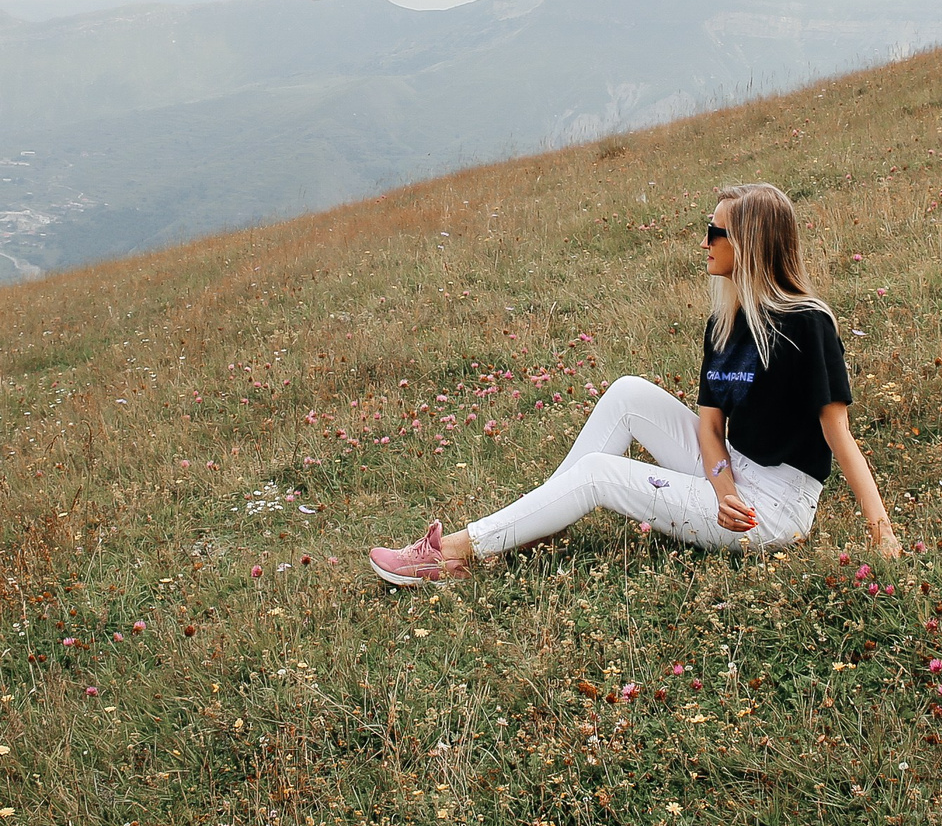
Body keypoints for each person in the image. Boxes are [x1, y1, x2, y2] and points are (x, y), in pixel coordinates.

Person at [368, 181, 901, 584]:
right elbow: (711, 428)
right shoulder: (725, 324)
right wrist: (721, 487)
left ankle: (456, 553)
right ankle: (541, 520)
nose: (705, 241)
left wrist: (883, 535)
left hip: (775, 508)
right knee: (626, 391)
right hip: (732, 477)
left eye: (717, 232)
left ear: (751, 244)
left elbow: (839, 435)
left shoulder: (807, 324)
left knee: (600, 473)